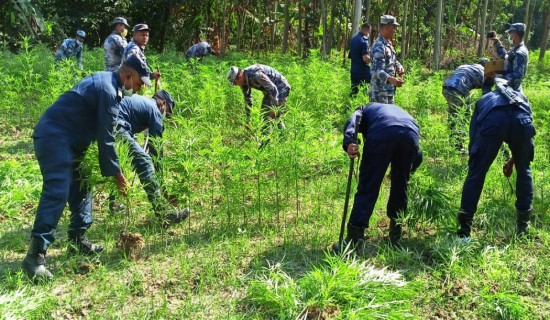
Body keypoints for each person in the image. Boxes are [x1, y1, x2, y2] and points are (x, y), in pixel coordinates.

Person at [22, 55, 151, 281]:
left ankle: (77, 241)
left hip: (72, 142)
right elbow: (106, 138)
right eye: (139, 84)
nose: (139, 90)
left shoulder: (111, 86)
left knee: (83, 185)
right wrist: (118, 176)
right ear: (129, 76)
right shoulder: (108, 89)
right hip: (55, 136)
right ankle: (35, 256)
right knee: (57, 192)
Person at [456, 80, 535, 238]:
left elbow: (475, 137)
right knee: (524, 169)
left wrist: (475, 158)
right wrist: (516, 160)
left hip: (494, 120)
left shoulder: (484, 100)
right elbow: (525, 140)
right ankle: (523, 227)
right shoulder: (521, 97)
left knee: (477, 172)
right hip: (521, 119)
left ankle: (464, 231)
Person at [339, 103, 422, 247]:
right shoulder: (401, 112)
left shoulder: (364, 109)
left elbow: (354, 119)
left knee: (368, 186)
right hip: (411, 134)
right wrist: (405, 172)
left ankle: (353, 241)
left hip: (381, 134)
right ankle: (395, 236)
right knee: (400, 187)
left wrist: (350, 141)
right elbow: (418, 155)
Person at [113, 91, 190, 225]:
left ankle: (113, 204)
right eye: (168, 113)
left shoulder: (144, 103)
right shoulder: (154, 109)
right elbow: (156, 150)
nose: (166, 116)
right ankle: (163, 214)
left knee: (122, 163)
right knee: (144, 162)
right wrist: (164, 189)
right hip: (117, 125)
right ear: (163, 103)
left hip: (109, 121)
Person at [442, 59, 489, 151]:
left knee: (454, 115)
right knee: (465, 116)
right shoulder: (484, 71)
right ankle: (459, 146)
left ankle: (454, 143)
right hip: (460, 89)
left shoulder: (466, 66)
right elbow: (486, 95)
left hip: (446, 87)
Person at [227, 64, 291, 128]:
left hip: (281, 87)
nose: (236, 85)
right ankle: (268, 136)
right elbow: (248, 100)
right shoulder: (243, 82)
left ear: (239, 77)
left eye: (235, 83)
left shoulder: (256, 75)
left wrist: (274, 109)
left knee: (274, 116)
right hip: (269, 92)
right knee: (264, 116)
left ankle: (280, 135)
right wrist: (248, 119)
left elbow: (273, 89)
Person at [370, 15, 405, 104]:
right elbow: (379, 71)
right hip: (379, 93)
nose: (395, 31)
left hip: (388, 92)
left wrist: (399, 67)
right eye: (394, 28)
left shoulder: (387, 44)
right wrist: (393, 80)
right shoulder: (379, 46)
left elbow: (391, 60)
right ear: (387, 27)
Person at [487, 23, 529, 91]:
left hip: (511, 90)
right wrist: (497, 42)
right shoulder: (516, 49)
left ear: (514, 35)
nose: (509, 36)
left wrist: (497, 76)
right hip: (507, 86)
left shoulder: (520, 53)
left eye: (510, 34)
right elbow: (506, 57)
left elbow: (517, 77)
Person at [348, 23, 372, 97]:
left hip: (354, 69)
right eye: (369, 32)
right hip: (363, 71)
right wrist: (374, 59)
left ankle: (350, 107)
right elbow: (365, 58)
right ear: (367, 30)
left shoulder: (353, 39)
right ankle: (366, 107)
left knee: (354, 91)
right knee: (367, 91)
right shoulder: (364, 41)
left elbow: (350, 56)